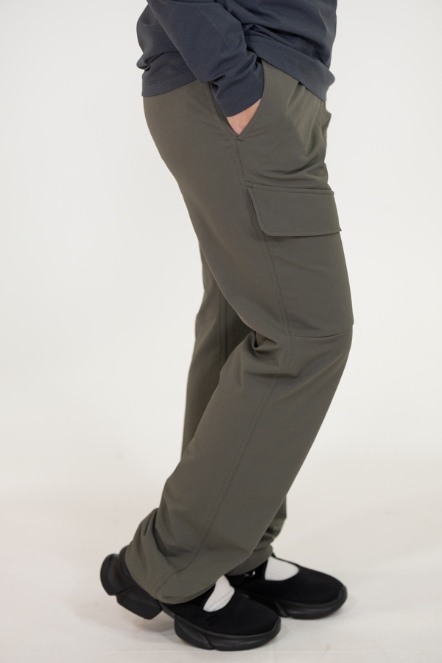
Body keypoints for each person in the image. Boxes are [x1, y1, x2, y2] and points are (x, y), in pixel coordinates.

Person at [100, 0, 355, 651]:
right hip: (234, 78)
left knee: (247, 322)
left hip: (265, 79)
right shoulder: (237, 80)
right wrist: (238, 80)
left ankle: (234, 548)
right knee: (307, 333)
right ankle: (171, 560)